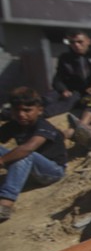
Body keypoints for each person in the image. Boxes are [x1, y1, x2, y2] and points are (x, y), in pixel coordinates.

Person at [0, 87, 67, 222]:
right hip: (30, 168)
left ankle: (5, 204)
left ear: (39, 110)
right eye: (17, 110)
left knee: (24, 154)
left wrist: (1, 161)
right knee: (21, 155)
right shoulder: (15, 124)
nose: (21, 115)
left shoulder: (43, 126)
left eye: (27, 110)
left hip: (52, 171)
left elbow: (29, 148)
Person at [48, 30, 91, 116]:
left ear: (88, 41)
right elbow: (58, 79)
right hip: (75, 91)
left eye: (80, 42)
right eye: (72, 42)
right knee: (49, 98)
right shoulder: (65, 58)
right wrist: (63, 90)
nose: (76, 45)